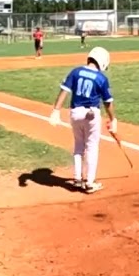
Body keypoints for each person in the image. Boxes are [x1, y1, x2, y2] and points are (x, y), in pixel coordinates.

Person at [50, 47, 117, 194]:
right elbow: (108, 102)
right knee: (92, 146)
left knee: (79, 145)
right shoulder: (101, 78)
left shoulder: (76, 71)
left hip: (75, 113)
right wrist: (113, 119)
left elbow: (64, 90)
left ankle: (77, 178)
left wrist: (56, 110)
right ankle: (90, 182)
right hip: (91, 114)